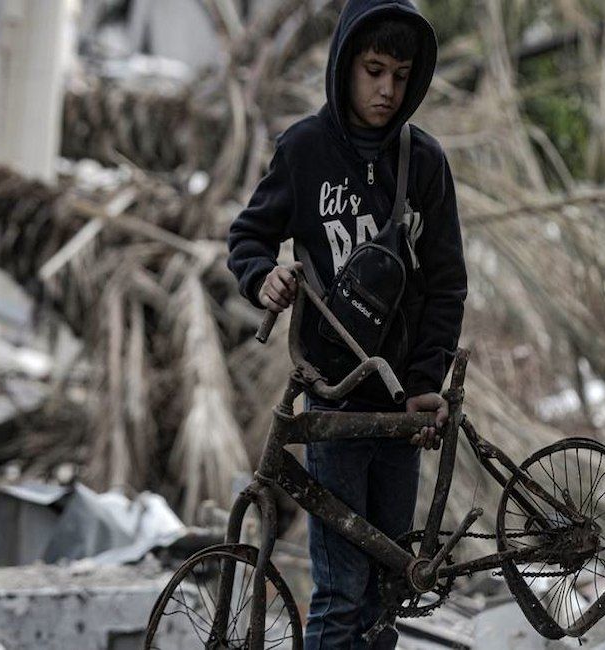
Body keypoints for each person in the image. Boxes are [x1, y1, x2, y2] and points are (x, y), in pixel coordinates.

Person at [225, 0, 466, 647]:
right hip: (334, 398)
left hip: (400, 406)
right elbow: (248, 238)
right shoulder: (304, 150)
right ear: (345, 67)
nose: (387, 89)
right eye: (373, 70)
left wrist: (425, 381)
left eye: (400, 75)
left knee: (389, 591)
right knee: (339, 593)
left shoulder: (425, 164)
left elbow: (447, 285)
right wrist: (263, 276)